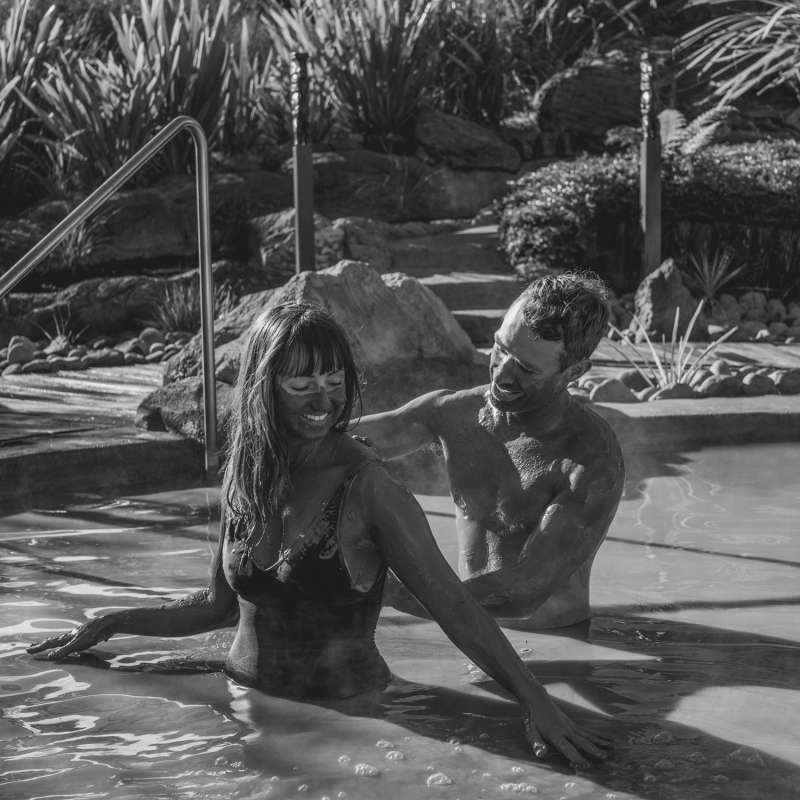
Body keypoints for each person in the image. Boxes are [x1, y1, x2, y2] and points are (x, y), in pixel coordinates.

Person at [27, 302, 609, 767]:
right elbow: (217, 607)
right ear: (264, 383)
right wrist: (112, 622)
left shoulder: (370, 489)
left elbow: (456, 606)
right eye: (301, 382)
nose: (325, 400)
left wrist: (536, 701)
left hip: (349, 726)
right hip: (244, 709)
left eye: (334, 380)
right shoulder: (248, 468)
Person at [354, 271, 625, 630]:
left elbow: (523, 592)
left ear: (574, 372)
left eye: (526, 369)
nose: (501, 376)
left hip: (556, 644)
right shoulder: (452, 414)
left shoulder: (591, 461)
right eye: (500, 348)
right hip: (471, 632)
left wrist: (377, 587)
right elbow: (336, 444)